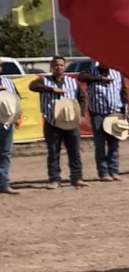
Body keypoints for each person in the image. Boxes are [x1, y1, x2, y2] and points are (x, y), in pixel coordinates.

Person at [28, 55, 88, 189]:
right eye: (55, 65)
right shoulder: (44, 81)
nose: (58, 67)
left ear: (64, 66)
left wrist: (81, 113)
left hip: (70, 120)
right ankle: (55, 179)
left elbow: (82, 97)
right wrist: (51, 89)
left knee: (74, 150)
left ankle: (76, 177)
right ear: (51, 67)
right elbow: (32, 86)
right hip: (52, 121)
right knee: (53, 151)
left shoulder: (72, 82)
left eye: (61, 65)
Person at [79, 62, 129, 181]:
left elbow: (123, 92)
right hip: (98, 113)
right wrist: (100, 79)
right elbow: (81, 77)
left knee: (114, 144)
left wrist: (125, 108)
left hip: (115, 113)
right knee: (100, 145)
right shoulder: (91, 72)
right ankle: (103, 172)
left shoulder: (117, 74)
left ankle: (114, 170)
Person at [0, 63, 21, 195]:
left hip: (7, 121)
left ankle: (4, 183)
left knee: (5, 153)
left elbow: (16, 98)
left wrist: (18, 114)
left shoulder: (9, 82)